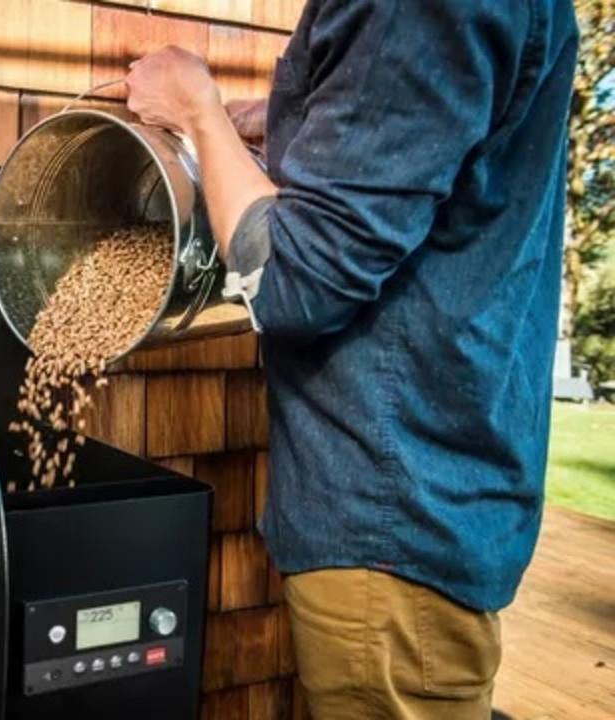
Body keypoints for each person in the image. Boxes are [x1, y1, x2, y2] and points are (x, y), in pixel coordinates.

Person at [123, 1, 579, 718]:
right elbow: (430, 153)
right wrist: (280, 122)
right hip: (427, 504)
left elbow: (294, 284)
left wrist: (197, 112)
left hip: (391, 521)